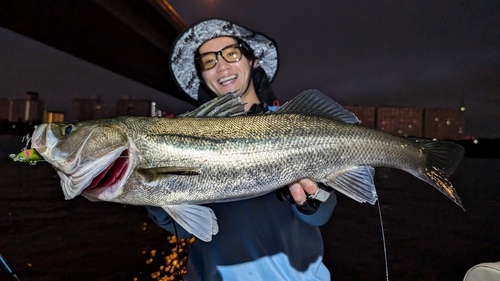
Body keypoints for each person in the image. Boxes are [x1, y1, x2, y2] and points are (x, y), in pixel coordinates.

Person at [146, 18, 337, 281]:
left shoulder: (295, 127)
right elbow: (182, 227)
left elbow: (321, 216)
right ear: (202, 74)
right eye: (208, 61)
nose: (221, 66)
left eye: (232, 53)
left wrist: (312, 200)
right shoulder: (183, 135)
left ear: (253, 60)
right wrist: (153, 191)